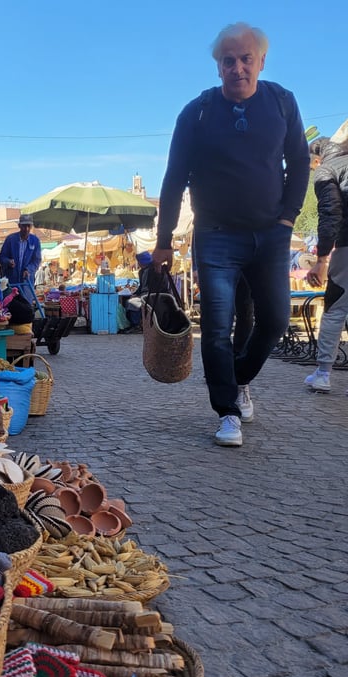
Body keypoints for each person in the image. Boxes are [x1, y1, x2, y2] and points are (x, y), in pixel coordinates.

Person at [153, 21, 310, 447]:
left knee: (275, 320)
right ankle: (227, 412)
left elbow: (299, 162)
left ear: (261, 61)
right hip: (216, 236)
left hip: (271, 235)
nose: (237, 68)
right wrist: (164, 241)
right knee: (217, 326)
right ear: (217, 66)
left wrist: (288, 219)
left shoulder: (282, 102)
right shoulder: (197, 113)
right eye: (228, 61)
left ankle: (238, 380)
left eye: (245, 59)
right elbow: (174, 179)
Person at [303, 137, 348, 393]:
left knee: (335, 307)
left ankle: (323, 374)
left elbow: (330, 213)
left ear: (317, 160)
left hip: (347, 246)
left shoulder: (327, 170)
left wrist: (321, 259)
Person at [0, 214, 42, 286]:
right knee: (12, 293)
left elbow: (36, 260)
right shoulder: (10, 239)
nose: (26, 229)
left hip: (27, 281)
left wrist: (28, 270)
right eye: (24, 226)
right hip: (11, 281)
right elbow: (2, 257)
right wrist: (8, 261)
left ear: (31, 226)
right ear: (19, 226)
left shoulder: (35, 241)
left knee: (27, 293)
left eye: (29, 226)